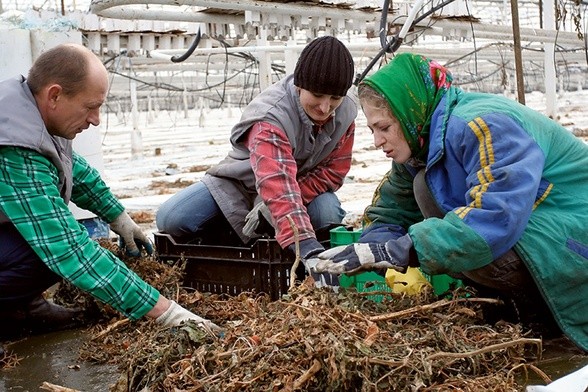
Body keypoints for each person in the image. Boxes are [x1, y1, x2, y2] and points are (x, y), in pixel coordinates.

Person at [312, 53, 588, 351]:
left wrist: (403, 249)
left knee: (469, 228)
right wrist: (375, 247)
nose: (378, 141)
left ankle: (542, 317)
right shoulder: (421, 139)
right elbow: (391, 208)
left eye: (384, 127)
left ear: (407, 113)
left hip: (573, 233)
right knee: (424, 186)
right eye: (372, 130)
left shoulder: (484, 125)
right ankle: (505, 305)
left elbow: (495, 216)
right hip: (542, 230)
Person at [0, 43, 219, 342]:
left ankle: (23, 307)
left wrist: (117, 216)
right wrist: (165, 312)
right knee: (50, 248)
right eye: (90, 107)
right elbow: (68, 250)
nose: (96, 119)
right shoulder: (13, 145)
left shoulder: (31, 116)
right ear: (55, 95)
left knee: (42, 247)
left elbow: (71, 168)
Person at [156, 36, 357, 285]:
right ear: (300, 85)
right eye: (317, 95)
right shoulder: (271, 116)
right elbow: (277, 183)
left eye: (335, 98)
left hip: (299, 189)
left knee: (327, 212)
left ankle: (303, 264)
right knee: (172, 218)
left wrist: (294, 212)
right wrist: (304, 243)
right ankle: (230, 238)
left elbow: (334, 171)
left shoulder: (346, 113)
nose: (325, 108)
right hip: (240, 184)